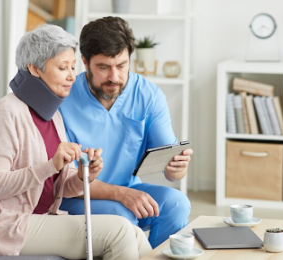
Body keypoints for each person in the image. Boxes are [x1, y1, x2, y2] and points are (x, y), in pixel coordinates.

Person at [0, 24, 151, 259]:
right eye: (63, 68)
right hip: (4, 227)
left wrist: (84, 176)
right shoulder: (5, 113)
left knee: (135, 234)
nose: (73, 75)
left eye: (73, 67)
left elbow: (62, 188)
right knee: (119, 231)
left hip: (41, 217)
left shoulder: (53, 115)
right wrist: (50, 165)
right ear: (34, 69)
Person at [59, 16, 193, 248]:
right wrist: (120, 194)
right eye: (103, 67)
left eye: (121, 66)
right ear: (85, 61)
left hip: (128, 187)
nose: (115, 77)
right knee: (121, 217)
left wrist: (177, 169)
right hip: (76, 196)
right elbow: (63, 181)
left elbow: (170, 170)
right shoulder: (62, 100)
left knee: (177, 204)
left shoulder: (149, 96)